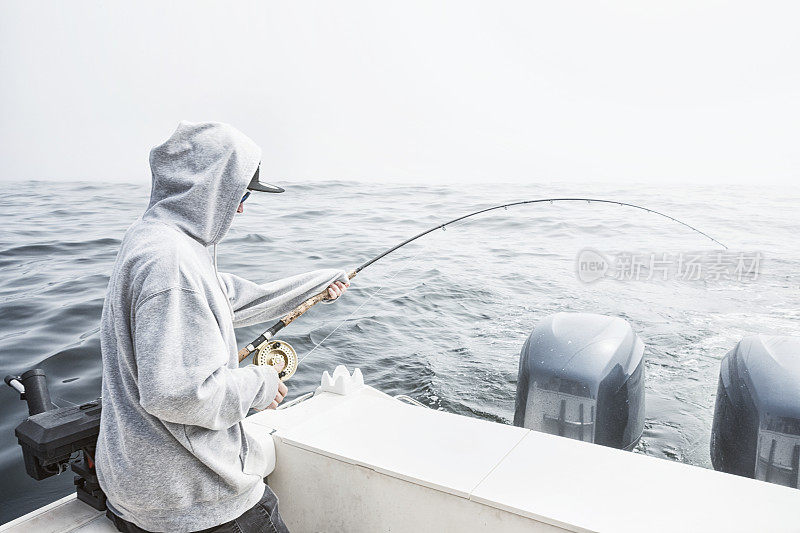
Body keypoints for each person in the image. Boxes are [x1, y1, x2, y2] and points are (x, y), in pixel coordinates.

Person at [95, 121, 348, 533]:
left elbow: (231, 296)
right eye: (241, 194)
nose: (243, 207)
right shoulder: (172, 264)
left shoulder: (155, 240)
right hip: (196, 502)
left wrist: (317, 285)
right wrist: (261, 384)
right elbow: (179, 394)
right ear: (212, 188)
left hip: (141, 492)